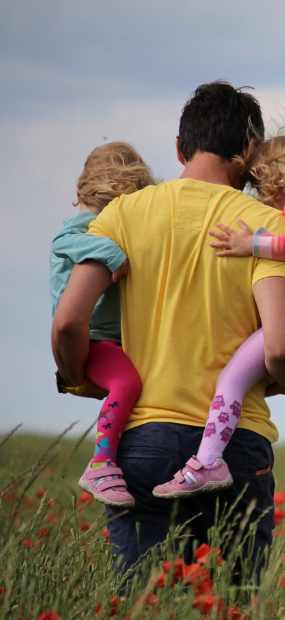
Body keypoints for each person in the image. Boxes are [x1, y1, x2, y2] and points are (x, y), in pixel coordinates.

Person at [52, 81, 285, 581]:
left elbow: (67, 321)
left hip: (143, 441)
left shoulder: (122, 215)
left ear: (179, 148)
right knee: (231, 610)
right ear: (250, 151)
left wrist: (79, 376)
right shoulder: (266, 227)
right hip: (236, 446)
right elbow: (280, 348)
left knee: (146, 605)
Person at [153, 130, 285, 498]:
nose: (261, 198)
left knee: (230, 380)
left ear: (278, 179)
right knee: (249, 381)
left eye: (260, 187)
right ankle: (218, 444)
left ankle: (207, 463)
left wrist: (250, 243)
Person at [50, 142, 156, 509]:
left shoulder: (101, 224)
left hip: (112, 339)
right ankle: (101, 463)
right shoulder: (83, 228)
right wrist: (111, 252)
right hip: (93, 339)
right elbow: (64, 241)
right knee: (127, 383)